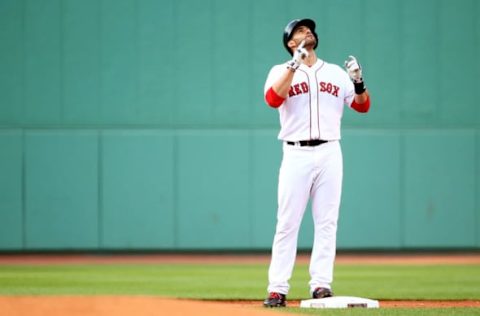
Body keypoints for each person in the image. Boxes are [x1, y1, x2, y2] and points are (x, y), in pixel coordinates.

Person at [262, 18, 371, 308]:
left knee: (327, 222)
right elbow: (273, 99)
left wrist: (358, 80)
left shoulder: (335, 72)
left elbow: (362, 106)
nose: (307, 32)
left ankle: (321, 284)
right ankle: (277, 288)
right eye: (299, 30)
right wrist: (294, 65)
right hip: (296, 152)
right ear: (290, 42)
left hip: (330, 151)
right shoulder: (279, 70)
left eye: (308, 29)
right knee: (287, 223)